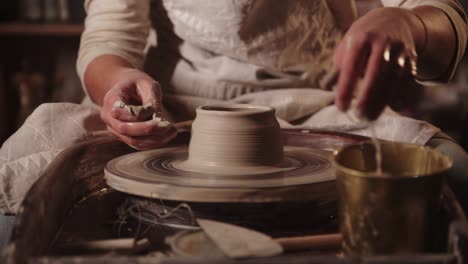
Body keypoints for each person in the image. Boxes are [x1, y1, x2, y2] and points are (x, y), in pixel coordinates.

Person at [0, 0, 467, 248]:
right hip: (173, 107)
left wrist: (406, 23)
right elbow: (108, 39)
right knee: (23, 171)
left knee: (453, 171)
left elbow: (442, 19)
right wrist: (119, 82)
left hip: (316, 107)